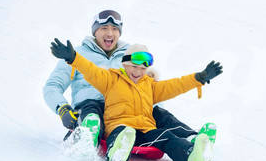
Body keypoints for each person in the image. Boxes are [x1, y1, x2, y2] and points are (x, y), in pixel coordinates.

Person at [43, 10, 216, 148]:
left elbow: (148, 88)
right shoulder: (76, 55)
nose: (110, 33)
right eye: (104, 28)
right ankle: (88, 134)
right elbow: (52, 86)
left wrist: (152, 110)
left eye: (114, 29)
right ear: (95, 31)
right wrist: (63, 109)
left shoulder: (130, 55)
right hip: (90, 107)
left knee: (159, 112)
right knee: (92, 108)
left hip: (126, 111)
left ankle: (193, 138)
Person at [50, 40, 223, 161]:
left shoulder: (150, 85)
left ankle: (192, 157)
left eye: (142, 68)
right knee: (122, 134)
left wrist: (198, 78)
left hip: (145, 129)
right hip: (119, 125)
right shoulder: (111, 79)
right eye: (134, 67)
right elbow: (90, 70)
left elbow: (175, 85)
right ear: (124, 64)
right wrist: (73, 57)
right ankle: (116, 153)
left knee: (166, 137)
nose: (138, 72)